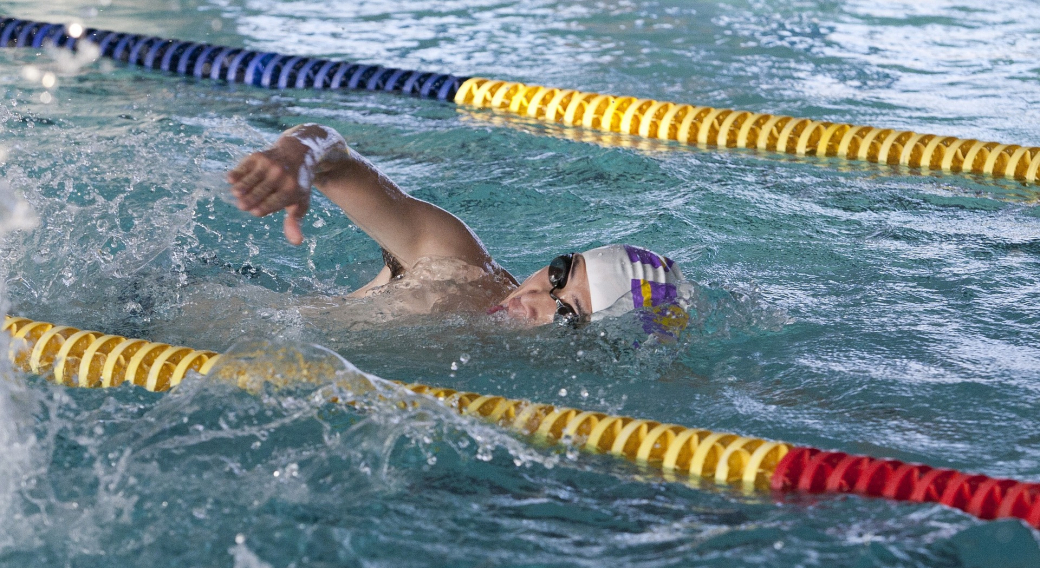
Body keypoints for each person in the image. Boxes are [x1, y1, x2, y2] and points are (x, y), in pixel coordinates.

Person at [227, 124, 686, 328]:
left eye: (567, 314)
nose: (530, 298)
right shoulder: (453, 265)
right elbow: (337, 161)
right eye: (560, 274)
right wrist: (297, 157)